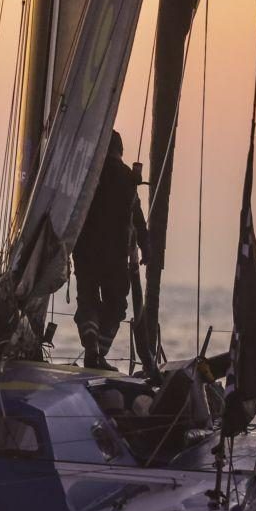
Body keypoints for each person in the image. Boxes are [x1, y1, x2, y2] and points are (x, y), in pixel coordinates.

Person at [71, 131, 149, 370]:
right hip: (114, 255)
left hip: (84, 251)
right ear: (119, 151)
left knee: (88, 300)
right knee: (115, 305)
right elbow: (137, 217)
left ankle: (92, 348)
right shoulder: (127, 178)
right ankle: (98, 353)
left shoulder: (85, 174)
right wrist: (147, 247)